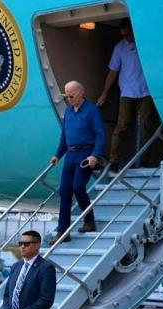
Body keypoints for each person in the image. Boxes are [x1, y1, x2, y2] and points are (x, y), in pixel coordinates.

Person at [50, 81, 106, 245]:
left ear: (80, 93)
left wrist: (95, 155)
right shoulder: (68, 111)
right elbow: (64, 136)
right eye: (66, 96)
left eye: (71, 95)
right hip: (71, 153)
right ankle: (63, 231)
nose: (68, 99)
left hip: (86, 153)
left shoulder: (92, 110)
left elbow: (100, 135)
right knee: (65, 191)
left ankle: (89, 220)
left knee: (78, 187)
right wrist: (57, 154)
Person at [97, 18, 155, 172]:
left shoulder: (146, 44)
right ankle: (115, 161)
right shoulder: (119, 48)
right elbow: (112, 72)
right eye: (123, 35)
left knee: (145, 126)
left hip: (147, 91)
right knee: (121, 125)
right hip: (127, 92)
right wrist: (104, 93)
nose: (127, 37)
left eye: (128, 34)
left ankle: (145, 161)